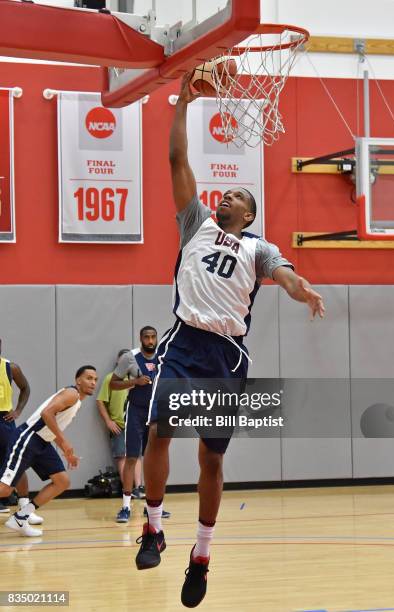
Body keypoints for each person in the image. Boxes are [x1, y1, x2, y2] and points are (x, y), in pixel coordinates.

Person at [134, 73, 326, 608]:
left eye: (239, 195)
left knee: (212, 461)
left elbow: (284, 275)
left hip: (227, 356)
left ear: (249, 216)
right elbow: (177, 161)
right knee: (157, 431)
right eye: (228, 191)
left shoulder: (259, 248)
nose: (229, 195)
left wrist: (300, 286)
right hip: (185, 341)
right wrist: (182, 104)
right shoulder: (194, 223)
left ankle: (201, 556)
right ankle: (152, 529)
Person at [0, 365, 98, 536]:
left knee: (62, 481)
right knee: (5, 489)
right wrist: (64, 442)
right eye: (89, 378)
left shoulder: (77, 401)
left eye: (95, 379)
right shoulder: (71, 394)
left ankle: (20, 518)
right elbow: (47, 414)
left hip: (43, 442)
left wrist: (67, 452)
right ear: (78, 381)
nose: (93, 382)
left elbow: (53, 428)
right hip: (29, 438)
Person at [110, 327, 170, 523]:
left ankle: (152, 507)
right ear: (141, 339)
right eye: (147, 337)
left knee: (155, 459)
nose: (151, 340)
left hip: (156, 413)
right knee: (131, 458)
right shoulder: (130, 357)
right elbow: (113, 384)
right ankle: (126, 507)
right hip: (136, 412)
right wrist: (135, 382)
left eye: (153, 337)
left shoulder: (163, 355)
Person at [0, 339, 42, 525]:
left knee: (16, 463)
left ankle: (25, 508)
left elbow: (25, 388)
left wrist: (18, 410)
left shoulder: (11, 368)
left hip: (4, 420)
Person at [96, 349, 134, 485]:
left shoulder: (136, 378)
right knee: (122, 456)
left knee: (136, 456)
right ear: (118, 361)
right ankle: (127, 489)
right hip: (119, 425)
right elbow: (100, 401)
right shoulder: (110, 378)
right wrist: (108, 421)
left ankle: (139, 488)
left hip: (134, 424)